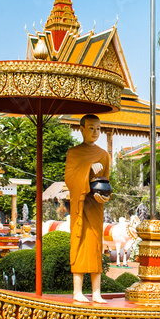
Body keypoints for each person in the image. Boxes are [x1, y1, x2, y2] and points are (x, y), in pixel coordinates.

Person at [64, 114, 111, 303]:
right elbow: (70, 178)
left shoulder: (103, 154)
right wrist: (89, 168)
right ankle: (77, 291)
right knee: (80, 245)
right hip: (80, 206)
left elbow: (106, 181)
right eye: (91, 128)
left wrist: (105, 197)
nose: (95, 132)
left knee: (95, 246)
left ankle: (96, 292)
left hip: (95, 206)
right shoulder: (73, 153)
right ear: (81, 129)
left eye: (98, 128)